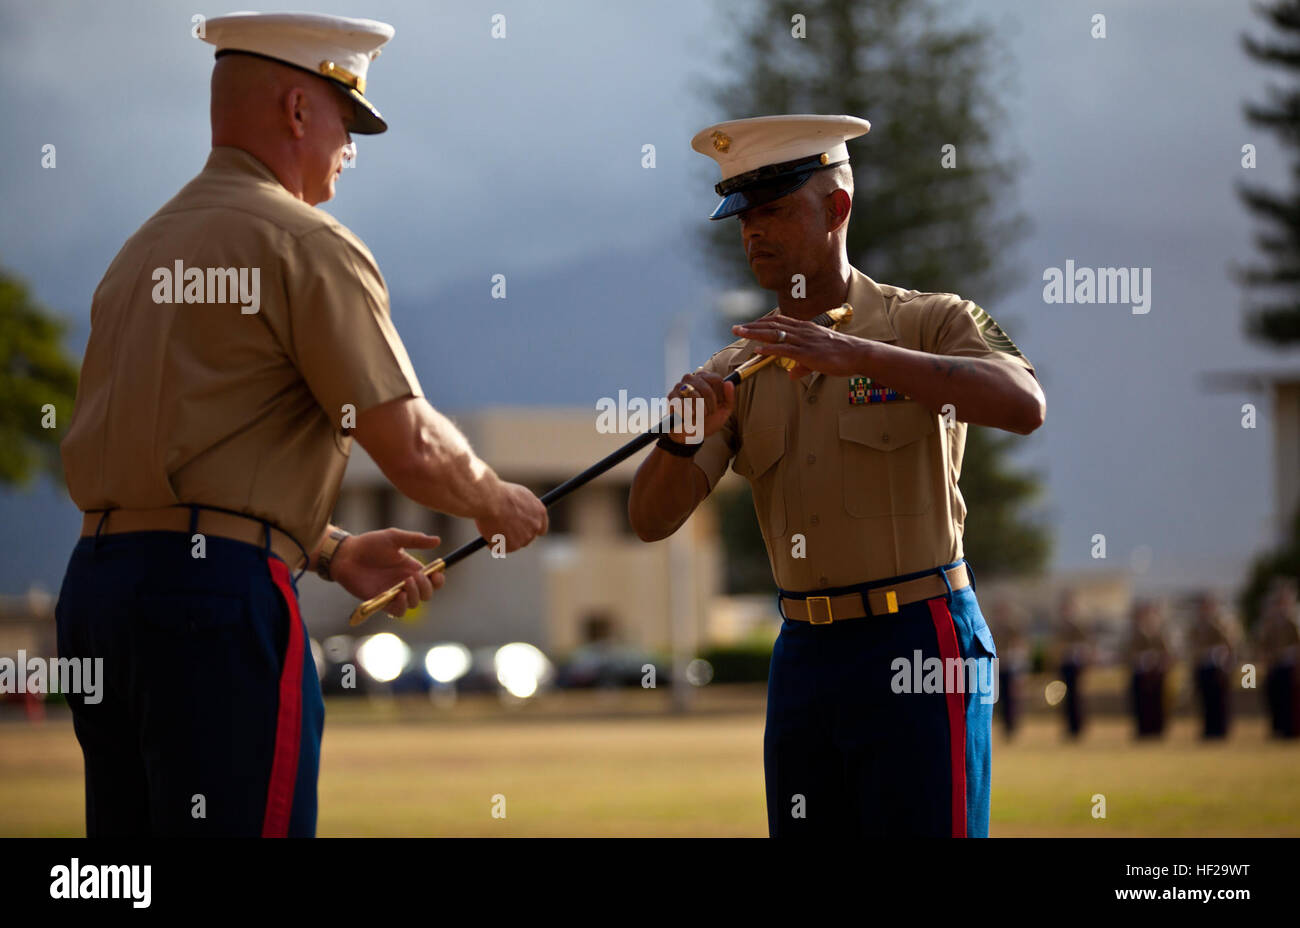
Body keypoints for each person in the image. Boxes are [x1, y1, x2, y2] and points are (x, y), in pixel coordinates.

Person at [54, 12, 547, 837]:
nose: (350, 150)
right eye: (346, 121)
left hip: (100, 592)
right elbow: (413, 444)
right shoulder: (306, 241)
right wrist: (494, 497)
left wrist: (332, 551)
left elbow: (172, 452)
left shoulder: (137, 254)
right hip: (214, 604)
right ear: (295, 111)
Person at [628, 115, 1046, 837]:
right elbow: (649, 520)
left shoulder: (935, 319)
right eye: (744, 216)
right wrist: (676, 441)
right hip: (805, 657)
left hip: (918, 638)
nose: (755, 232)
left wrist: (860, 357)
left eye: (776, 211)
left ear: (838, 209)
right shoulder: (734, 371)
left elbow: (1023, 404)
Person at [1257, 577, 1300, 739]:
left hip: (1290, 663)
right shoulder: (1271, 621)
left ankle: (1290, 730)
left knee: (1290, 699)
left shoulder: (1294, 620)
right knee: (1275, 697)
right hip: (1275, 664)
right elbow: (1264, 643)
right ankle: (1278, 728)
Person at [1188, 592, 1235, 739]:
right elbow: (1193, 646)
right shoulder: (1197, 625)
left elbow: (1228, 644)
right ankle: (1208, 730)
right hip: (1203, 666)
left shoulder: (1221, 623)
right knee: (1205, 701)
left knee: (1219, 701)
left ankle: (1220, 730)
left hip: (1217, 666)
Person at [1126, 600, 1171, 738]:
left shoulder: (1158, 633)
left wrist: (1160, 663)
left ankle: (1157, 729)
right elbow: (1128, 653)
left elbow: (1166, 652)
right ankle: (1143, 730)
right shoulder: (1135, 632)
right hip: (1140, 671)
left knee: (1156, 701)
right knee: (1141, 702)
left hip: (1156, 671)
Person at [1055, 589, 1090, 740]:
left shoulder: (1078, 625)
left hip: (1076, 664)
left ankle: (1078, 727)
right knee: (1066, 696)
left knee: (1077, 696)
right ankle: (1069, 727)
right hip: (1065, 664)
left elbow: (1084, 645)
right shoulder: (1060, 626)